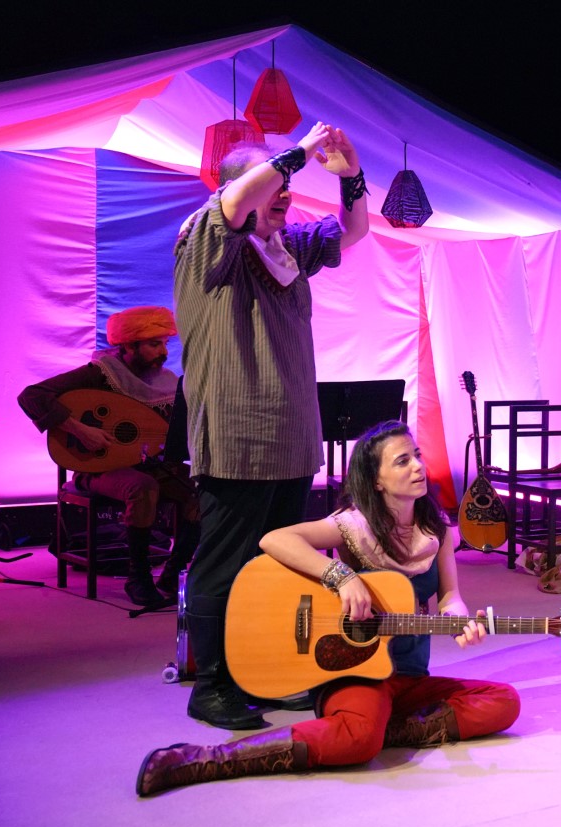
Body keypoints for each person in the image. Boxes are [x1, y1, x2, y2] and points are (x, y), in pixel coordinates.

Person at [137, 420, 519, 796]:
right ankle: (209, 759)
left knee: (503, 701)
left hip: (409, 676)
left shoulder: (436, 530)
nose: (418, 466)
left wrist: (456, 618)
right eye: (403, 461)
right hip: (353, 673)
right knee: (359, 741)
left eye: (417, 455)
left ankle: (378, 727)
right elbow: (275, 540)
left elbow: (450, 597)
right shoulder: (354, 525)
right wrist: (341, 576)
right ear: (376, 480)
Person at [173, 122, 370, 729]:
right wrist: (299, 152)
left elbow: (354, 230)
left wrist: (352, 175)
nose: (286, 192)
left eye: (288, 184)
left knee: (283, 562)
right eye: (276, 184)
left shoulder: (285, 249)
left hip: (291, 434)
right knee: (225, 561)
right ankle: (212, 685)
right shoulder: (207, 240)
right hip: (237, 433)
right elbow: (233, 204)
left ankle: (265, 671)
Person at [17, 306, 199, 607]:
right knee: (142, 487)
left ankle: (173, 574)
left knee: (201, 491)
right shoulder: (100, 374)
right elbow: (32, 396)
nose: (164, 352)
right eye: (154, 344)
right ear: (129, 346)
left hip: (150, 466)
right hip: (98, 469)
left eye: (165, 343)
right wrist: (80, 430)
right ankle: (138, 578)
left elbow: (168, 433)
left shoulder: (166, 382)